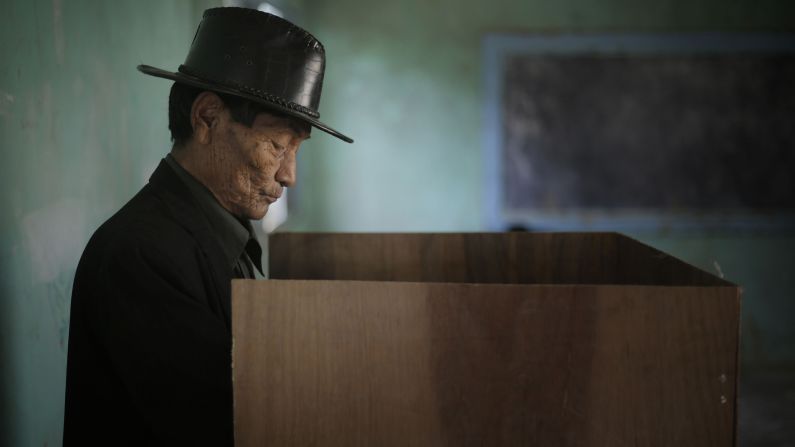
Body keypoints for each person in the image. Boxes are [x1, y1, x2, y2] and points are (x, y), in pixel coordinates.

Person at [63, 7, 353, 446]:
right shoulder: (140, 254)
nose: (289, 175)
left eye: (297, 149)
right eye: (277, 145)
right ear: (207, 118)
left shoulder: (225, 227)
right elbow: (228, 425)